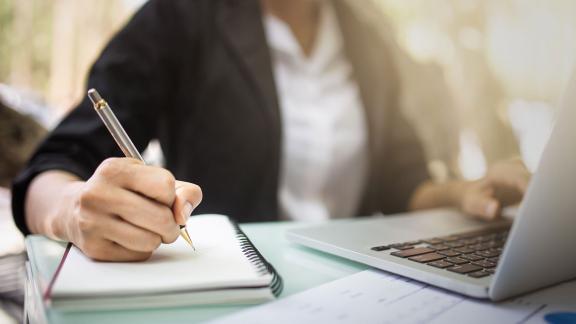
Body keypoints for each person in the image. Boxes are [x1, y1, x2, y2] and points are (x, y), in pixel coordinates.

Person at [12, 0, 530, 262]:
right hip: (226, 288)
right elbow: (52, 167)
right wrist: (72, 212)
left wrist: (463, 194)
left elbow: (401, 179)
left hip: (352, 291)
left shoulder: (368, 35)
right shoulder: (181, 17)